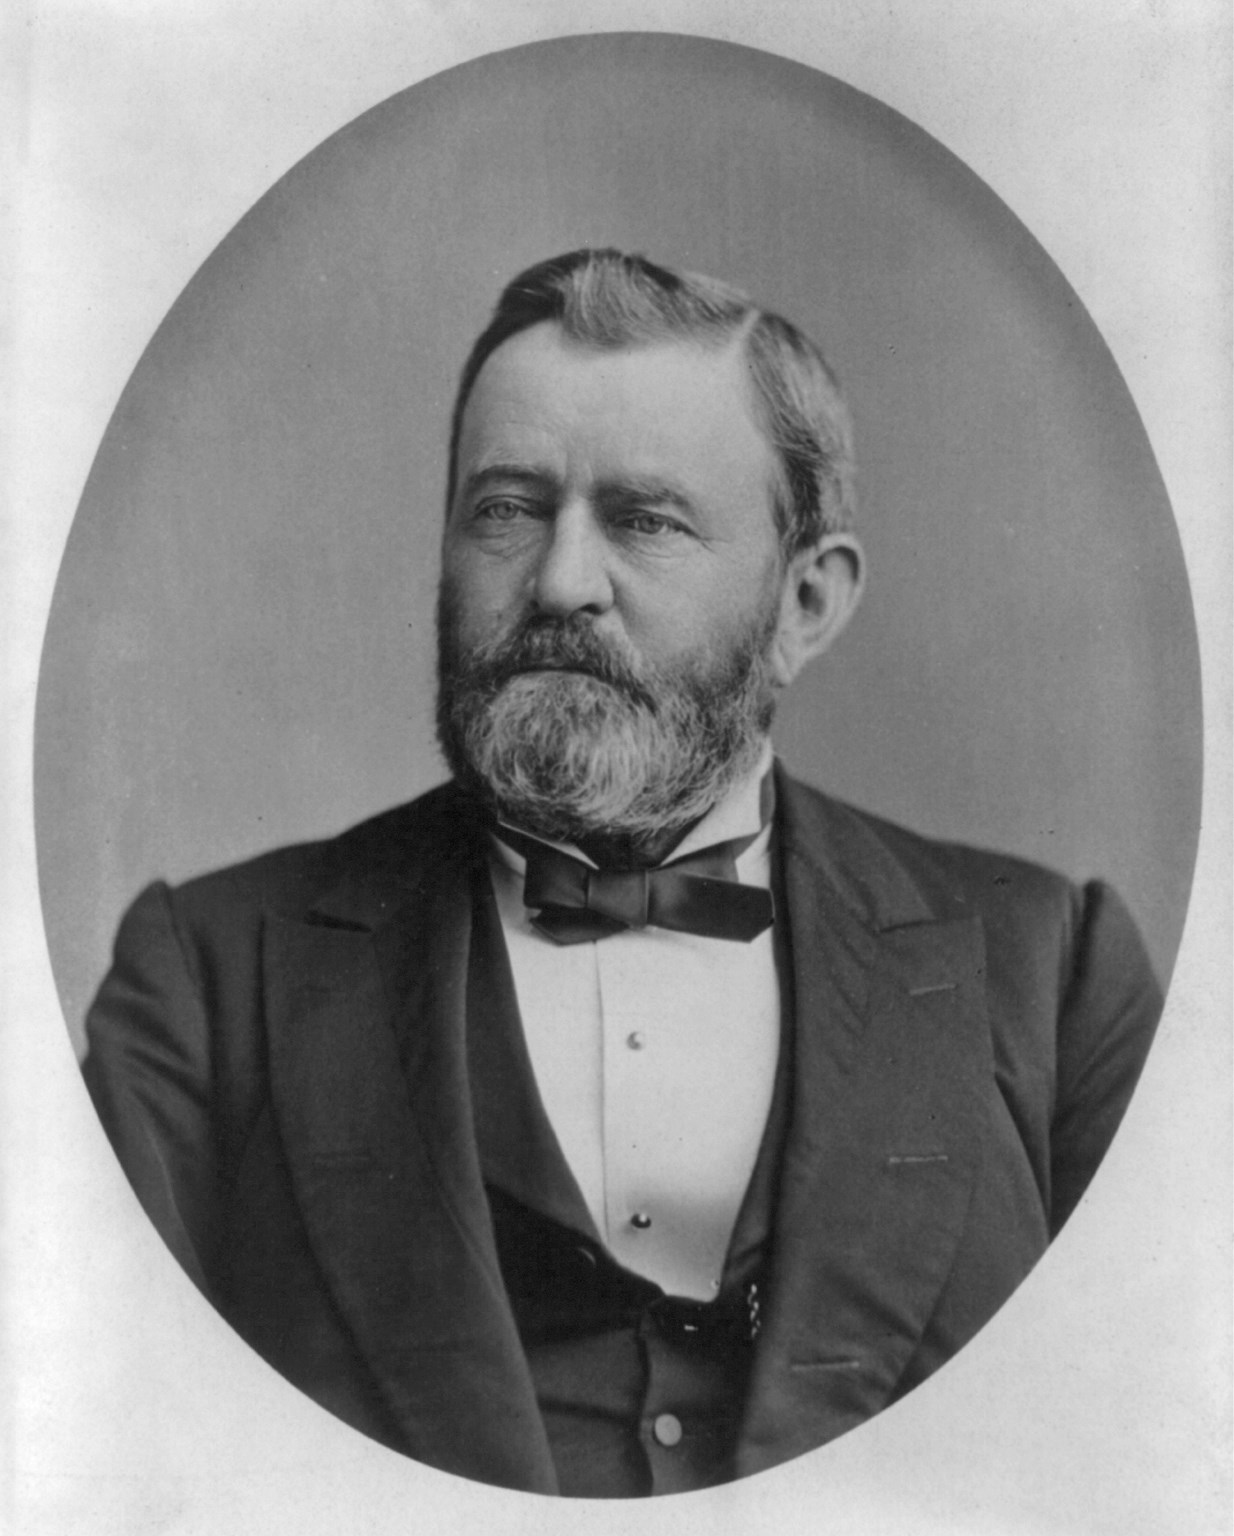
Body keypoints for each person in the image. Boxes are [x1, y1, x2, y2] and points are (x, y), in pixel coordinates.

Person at [82, 248, 1163, 1498]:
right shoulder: (208, 980)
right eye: (507, 508)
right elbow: (107, 1455)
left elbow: (1155, 1451)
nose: (557, 582)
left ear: (804, 603)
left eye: (643, 520)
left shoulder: (1054, 972)